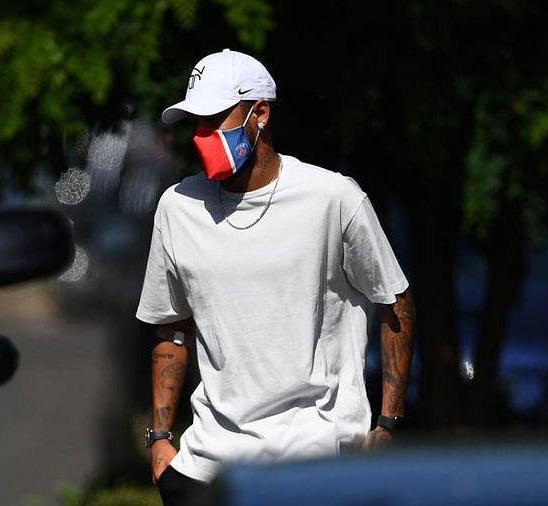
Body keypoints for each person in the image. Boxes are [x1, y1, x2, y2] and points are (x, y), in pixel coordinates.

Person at [135, 49, 415, 505]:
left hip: (313, 466)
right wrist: (161, 437)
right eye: (195, 124)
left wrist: (387, 424)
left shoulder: (332, 198)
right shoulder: (178, 206)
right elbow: (170, 324)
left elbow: (395, 301)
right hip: (206, 469)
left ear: (259, 113)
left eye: (214, 120)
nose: (202, 136)